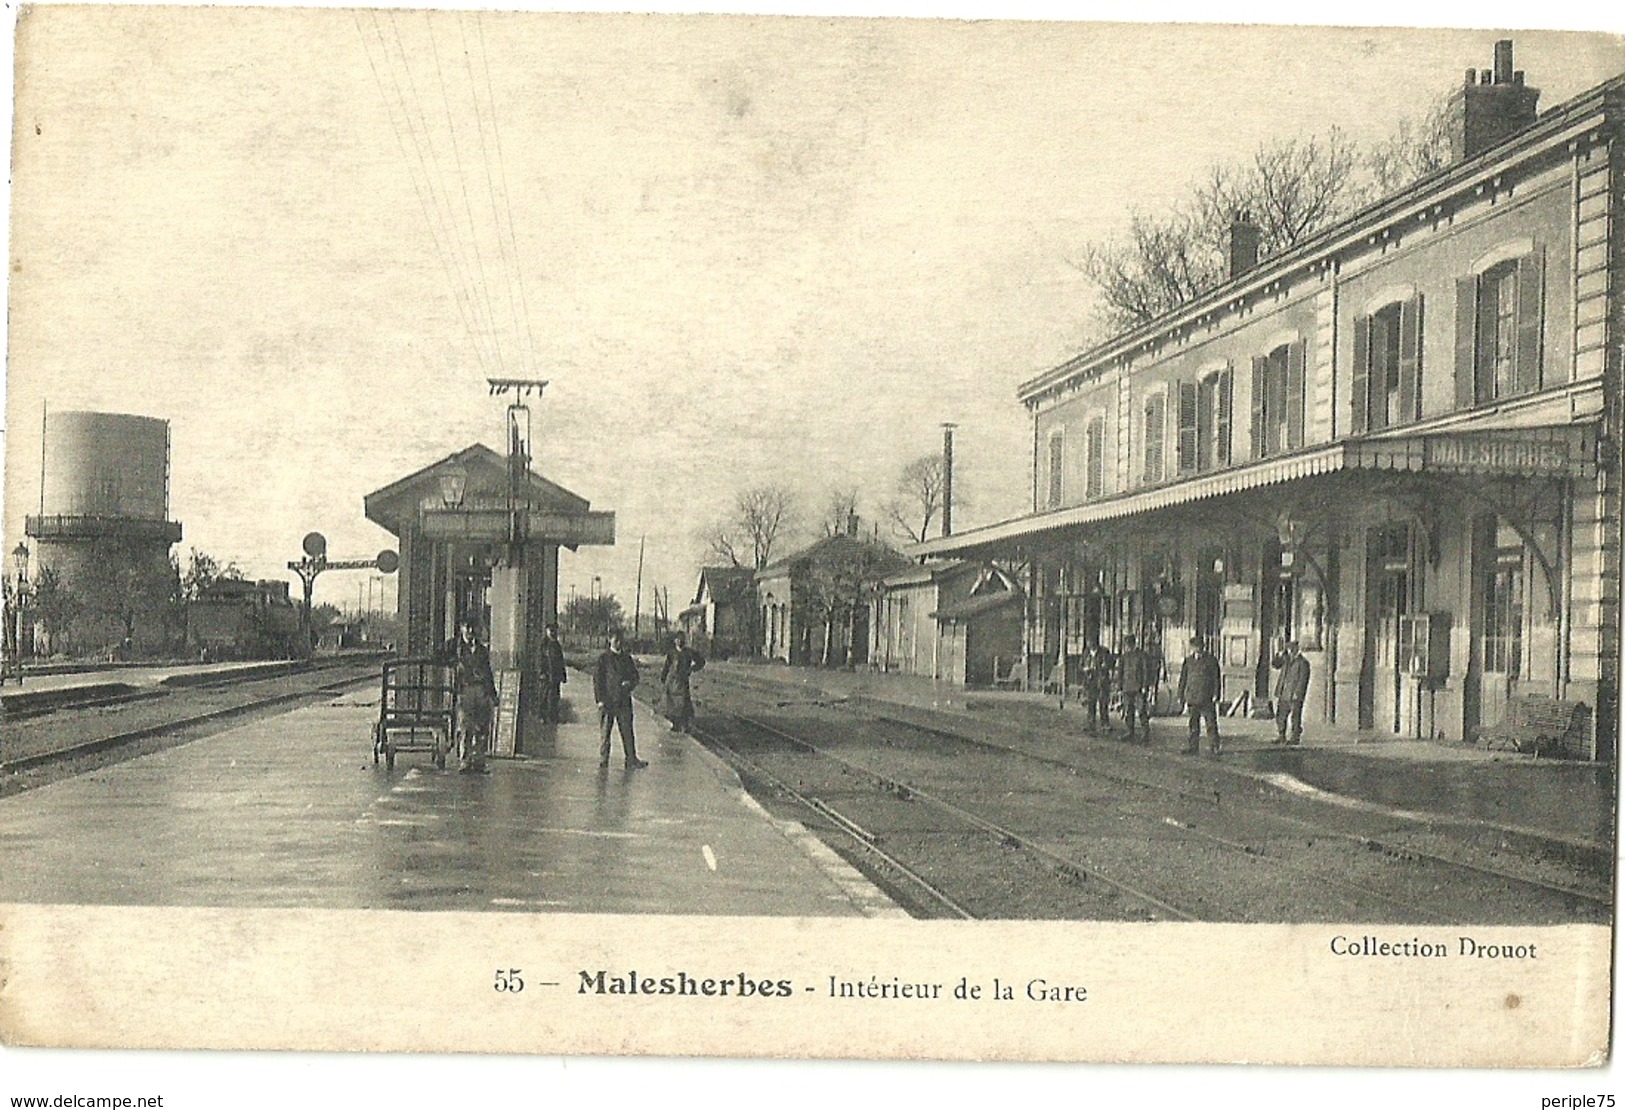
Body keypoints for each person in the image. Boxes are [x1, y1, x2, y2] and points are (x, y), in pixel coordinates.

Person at [438, 616, 497, 774]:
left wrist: (492, 693)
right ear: (462, 628)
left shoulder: (482, 650)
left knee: (482, 727)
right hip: (464, 690)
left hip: (481, 691)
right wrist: (452, 662)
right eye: (467, 627)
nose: (470, 631)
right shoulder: (454, 646)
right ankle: (465, 760)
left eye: (473, 627)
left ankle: (479, 761)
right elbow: (437, 655)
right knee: (465, 726)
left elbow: (488, 672)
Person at [594, 631, 646, 769]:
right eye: (616, 640)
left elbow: (635, 676)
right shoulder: (603, 658)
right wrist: (600, 700)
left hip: (623, 701)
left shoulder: (626, 658)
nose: (619, 643)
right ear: (610, 640)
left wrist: (629, 684)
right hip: (608, 701)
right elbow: (598, 680)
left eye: (621, 640)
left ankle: (631, 759)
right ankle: (604, 760)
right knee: (605, 733)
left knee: (627, 731)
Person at [1177, 636, 1221, 755]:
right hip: (1192, 696)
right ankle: (1193, 747)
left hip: (1206, 696)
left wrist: (1216, 694)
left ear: (1203, 647)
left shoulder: (1211, 660)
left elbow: (1216, 679)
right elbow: (1183, 679)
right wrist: (1180, 695)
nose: (1197, 649)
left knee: (1210, 723)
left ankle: (1214, 746)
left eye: (1199, 647)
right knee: (1193, 724)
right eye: (1194, 647)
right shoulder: (1188, 661)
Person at [660, 631, 706, 733]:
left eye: (681, 639)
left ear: (684, 641)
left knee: (683, 703)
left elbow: (701, 662)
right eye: (677, 639)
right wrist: (663, 677)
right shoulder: (671, 653)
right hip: (671, 681)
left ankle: (684, 724)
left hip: (683, 680)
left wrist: (691, 669)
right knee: (671, 703)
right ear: (674, 641)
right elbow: (666, 665)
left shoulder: (689, 653)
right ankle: (675, 724)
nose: (679, 641)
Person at [1273, 638, 1312, 746]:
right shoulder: (1286, 660)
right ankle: (1281, 736)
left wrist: (1298, 694)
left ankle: (1295, 737)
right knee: (1281, 715)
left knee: (1295, 717)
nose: (1289, 651)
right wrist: (1280, 653)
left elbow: (1303, 680)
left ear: (1296, 649)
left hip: (1294, 694)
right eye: (1288, 649)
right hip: (1284, 693)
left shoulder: (1303, 663)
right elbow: (1275, 664)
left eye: (1291, 649)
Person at [1116, 635, 1153, 742]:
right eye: (1126, 645)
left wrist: (1145, 686)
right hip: (1127, 687)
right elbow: (1120, 672)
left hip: (1139, 688)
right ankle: (1129, 732)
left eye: (1129, 644)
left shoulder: (1142, 655)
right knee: (1128, 710)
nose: (1127, 646)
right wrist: (1119, 687)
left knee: (1141, 710)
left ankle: (1145, 733)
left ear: (1133, 644)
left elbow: (1146, 671)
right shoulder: (1124, 657)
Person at [1078, 639, 1115, 731]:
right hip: (1090, 681)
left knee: (1103, 703)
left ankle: (1105, 724)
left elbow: (1111, 664)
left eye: (1093, 643)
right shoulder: (1086, 653)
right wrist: (1085, 669)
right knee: (1091, 703)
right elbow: (1080, 666)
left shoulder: (1104, 652)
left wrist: (1104, 667)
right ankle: (1091, 724)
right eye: (1089, 643)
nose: (1091, 645)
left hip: (1102, 681)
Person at [539, 622, 567, 725]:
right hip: (546, 675)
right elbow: (540, 660)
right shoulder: (544, 645)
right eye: (550, 631)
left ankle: (554, 716)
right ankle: (542, 716)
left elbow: (561, 661)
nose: (553, 633)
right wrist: (541, 672)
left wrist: (563, 675)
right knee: (544, 696)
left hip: (555, 675)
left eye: (554, 631)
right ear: (546, 631)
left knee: (555, 696)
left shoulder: (557, 645)